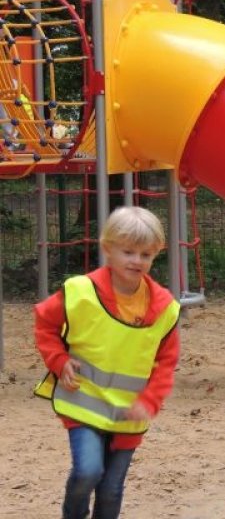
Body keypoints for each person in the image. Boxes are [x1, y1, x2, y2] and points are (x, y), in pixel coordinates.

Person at [34, 206, 181, 519]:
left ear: (156, 254)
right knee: (87, 471)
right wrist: (59, 360)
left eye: (145, 254)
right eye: (128, 252)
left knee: (112, 489)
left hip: (127, 414)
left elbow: (166, 362)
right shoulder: (80, 291)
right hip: (83, 404)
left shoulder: (165, 308)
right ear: (107, 249)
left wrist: (149, 401)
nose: (136, 260)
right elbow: (45, 322)